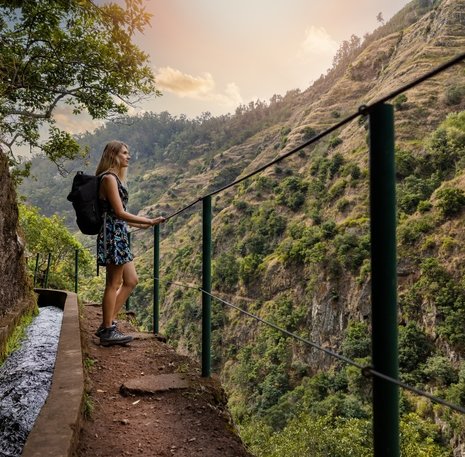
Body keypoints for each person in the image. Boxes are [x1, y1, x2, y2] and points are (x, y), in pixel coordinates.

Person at [95, 140, 165, 346]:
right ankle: (108, 331)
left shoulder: (116, 179)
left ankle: (106, 324)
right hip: (112, 235)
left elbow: (119, 216)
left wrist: (139, 226)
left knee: (131, 280)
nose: (128, 156)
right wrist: (149, 221)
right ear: (113, 155)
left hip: (120, 234)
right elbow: (118, 212)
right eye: (124, 153)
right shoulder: (108, 178)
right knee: (113, 283)